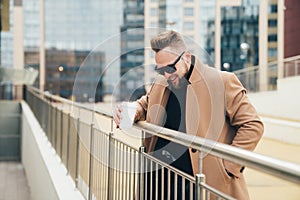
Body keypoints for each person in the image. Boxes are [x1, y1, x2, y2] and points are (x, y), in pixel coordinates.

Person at [113, 30, 264, 200]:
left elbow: (252, 125)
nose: (167, 75)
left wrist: (228, 166)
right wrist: (133, 108)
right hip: (159, 183)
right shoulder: (161, 82)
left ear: (186, 56)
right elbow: (146, 103)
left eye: (170, 67)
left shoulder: (222, 81)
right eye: (160, 70)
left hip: (199, 185)